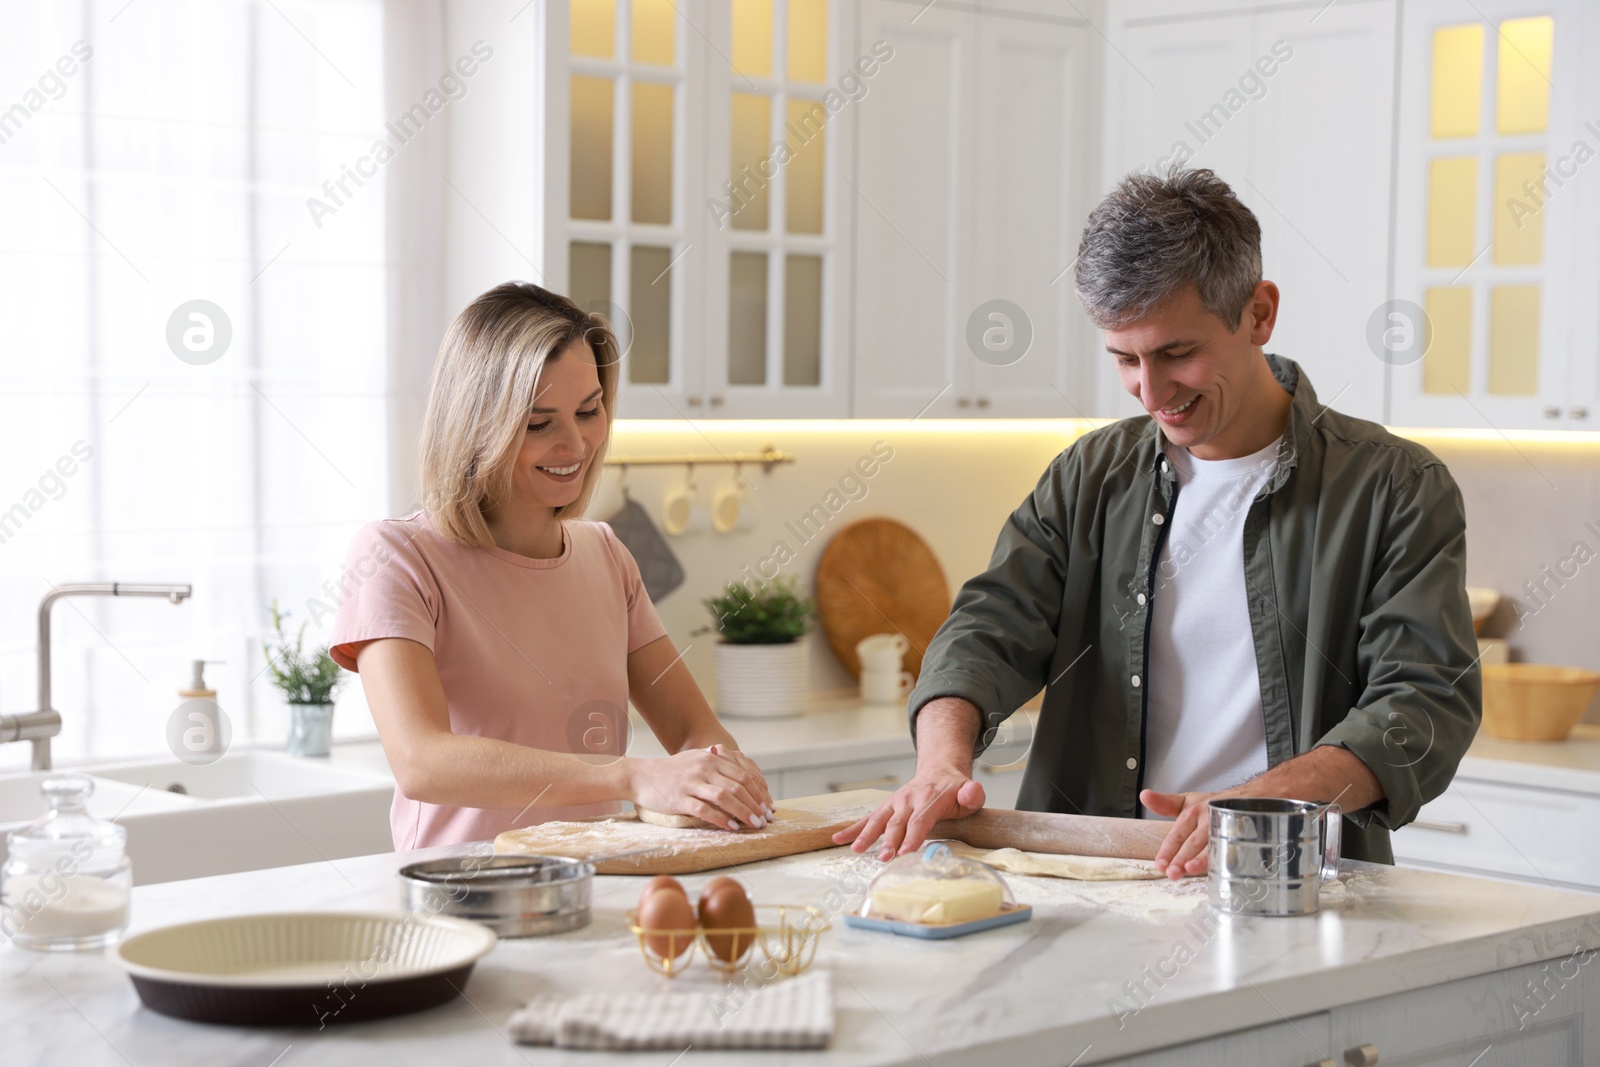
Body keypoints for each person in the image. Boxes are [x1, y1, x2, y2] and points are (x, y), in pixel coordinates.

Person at [835, 168, 1480, 878]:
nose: (1152, 390)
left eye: (1178, 353)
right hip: (1088, 887)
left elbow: (1423, 702)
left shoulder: (1395, 488)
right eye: (1125, 359)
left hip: (1287, 883)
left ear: (1259, 313)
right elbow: (988, 627)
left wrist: (1256, 806)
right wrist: (940, 763)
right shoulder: (1089, 475)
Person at [329, 282, 774, 850]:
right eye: (540, 424)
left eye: (589, 412)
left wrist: (720, 772)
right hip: (465, 898)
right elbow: (422, 761)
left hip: (599, 887)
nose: (576, 445)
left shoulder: (606, 554)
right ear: (476, 424)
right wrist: (632, 776)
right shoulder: (397, 557)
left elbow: (691, 728)